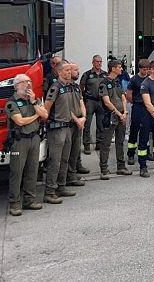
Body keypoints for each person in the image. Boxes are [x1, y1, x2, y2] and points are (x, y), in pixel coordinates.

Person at [5, 74, 48, 216]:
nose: (28, 84)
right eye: (24, 82)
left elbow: (45, 115)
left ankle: (29, 200)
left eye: (29, 81)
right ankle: (15, 203)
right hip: (20, 140)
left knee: (32, 170)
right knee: (17, 173)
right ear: (17, 86)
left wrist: (34, 102)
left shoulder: (34, 100)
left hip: (34, 138)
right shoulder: (12, 102)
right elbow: (20, 121)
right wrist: (36, 116)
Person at [43, 61, 85, 204]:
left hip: (67, 126)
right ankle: (49, 191)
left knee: (65, 159)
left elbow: (75, 105)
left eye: (70, 70)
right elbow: (46, 108)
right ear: (60, 72)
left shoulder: (69, 87)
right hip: (57, 128)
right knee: (55, 160)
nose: (69, 72)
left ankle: (61, 186)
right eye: (66, 70)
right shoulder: (55, 87)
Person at [99, 59, 132, 179]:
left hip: (121, 115)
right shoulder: (104, 83)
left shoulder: (117, 81)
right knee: (106, 143)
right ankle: (104, 169)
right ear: (113, 68)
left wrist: (124, 112)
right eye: (119, 67)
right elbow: (107, 102)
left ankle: (121, 167)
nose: (121, 69)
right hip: (110, 116)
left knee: (120, 141)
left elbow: (123, 97)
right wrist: (119, 114)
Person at [65, 62, 90, 186]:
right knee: (67, 152)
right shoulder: (63, 88)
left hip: (79, 122)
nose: (77, 72)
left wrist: (83, 117)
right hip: (69, 123)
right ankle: (67, 177)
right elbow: (65, 107)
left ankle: (72, 175)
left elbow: (81, 102)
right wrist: (77, 120)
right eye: (75, 70)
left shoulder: (76, 87)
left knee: (75, 151)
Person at [80, 55, 107, 152]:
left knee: (101, 124)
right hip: (90, 101)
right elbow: (81, 88)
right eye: (97, 61)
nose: (99, 63)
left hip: (101, 101)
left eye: (100, 61)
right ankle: (86, 145)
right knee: (87, 124)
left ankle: (99, 143)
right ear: (93, 62)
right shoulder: (87, 74)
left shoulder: (105, 74)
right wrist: (83, 100)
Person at [126, 59, 150, 165]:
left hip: (147, 107)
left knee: (146, 129)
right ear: (139, 69)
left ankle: (146, 151)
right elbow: (128, 94)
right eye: (144, 69)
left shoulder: (150, 79)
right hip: (137, 106)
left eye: (147, 69)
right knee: (134, 130)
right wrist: (135, 102)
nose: (146, 71)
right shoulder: (134, 80)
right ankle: (131, 154)